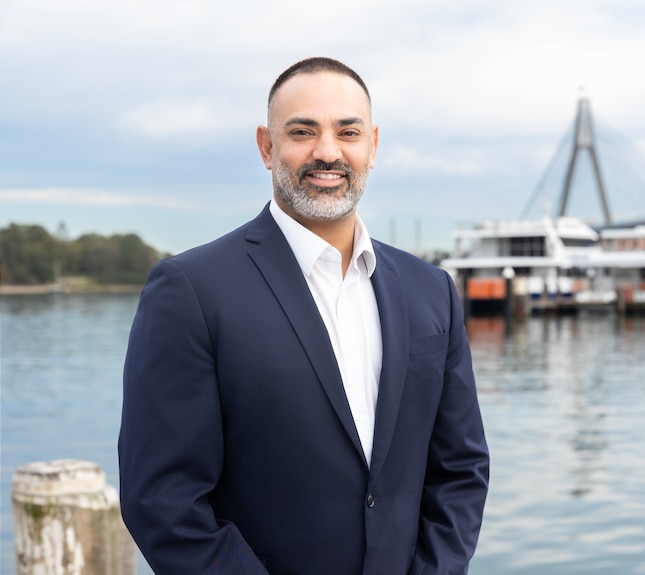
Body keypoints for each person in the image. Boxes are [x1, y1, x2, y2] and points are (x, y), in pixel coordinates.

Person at [118, 57, 490, 575]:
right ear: (266, 147)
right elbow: (162, 501)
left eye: (348, 131)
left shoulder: (432, 291)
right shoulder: (190, 290)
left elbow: (461, 471)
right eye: (302, 131)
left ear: (373, 146)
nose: (327, 152)